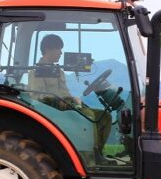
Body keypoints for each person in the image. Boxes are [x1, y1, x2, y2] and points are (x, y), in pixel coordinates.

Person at [27, 34, 114, 164]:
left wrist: (74, 99)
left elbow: (65, 92)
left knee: (104, 116)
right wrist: (58, 101)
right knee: (89, 116)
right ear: (47, 49)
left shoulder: (58, 71)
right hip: (54, 111)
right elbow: (36, 96)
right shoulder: (35, 72)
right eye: (58, 49)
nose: (61, 53)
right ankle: (91, 157)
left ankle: (98, 152)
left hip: (68, 105)